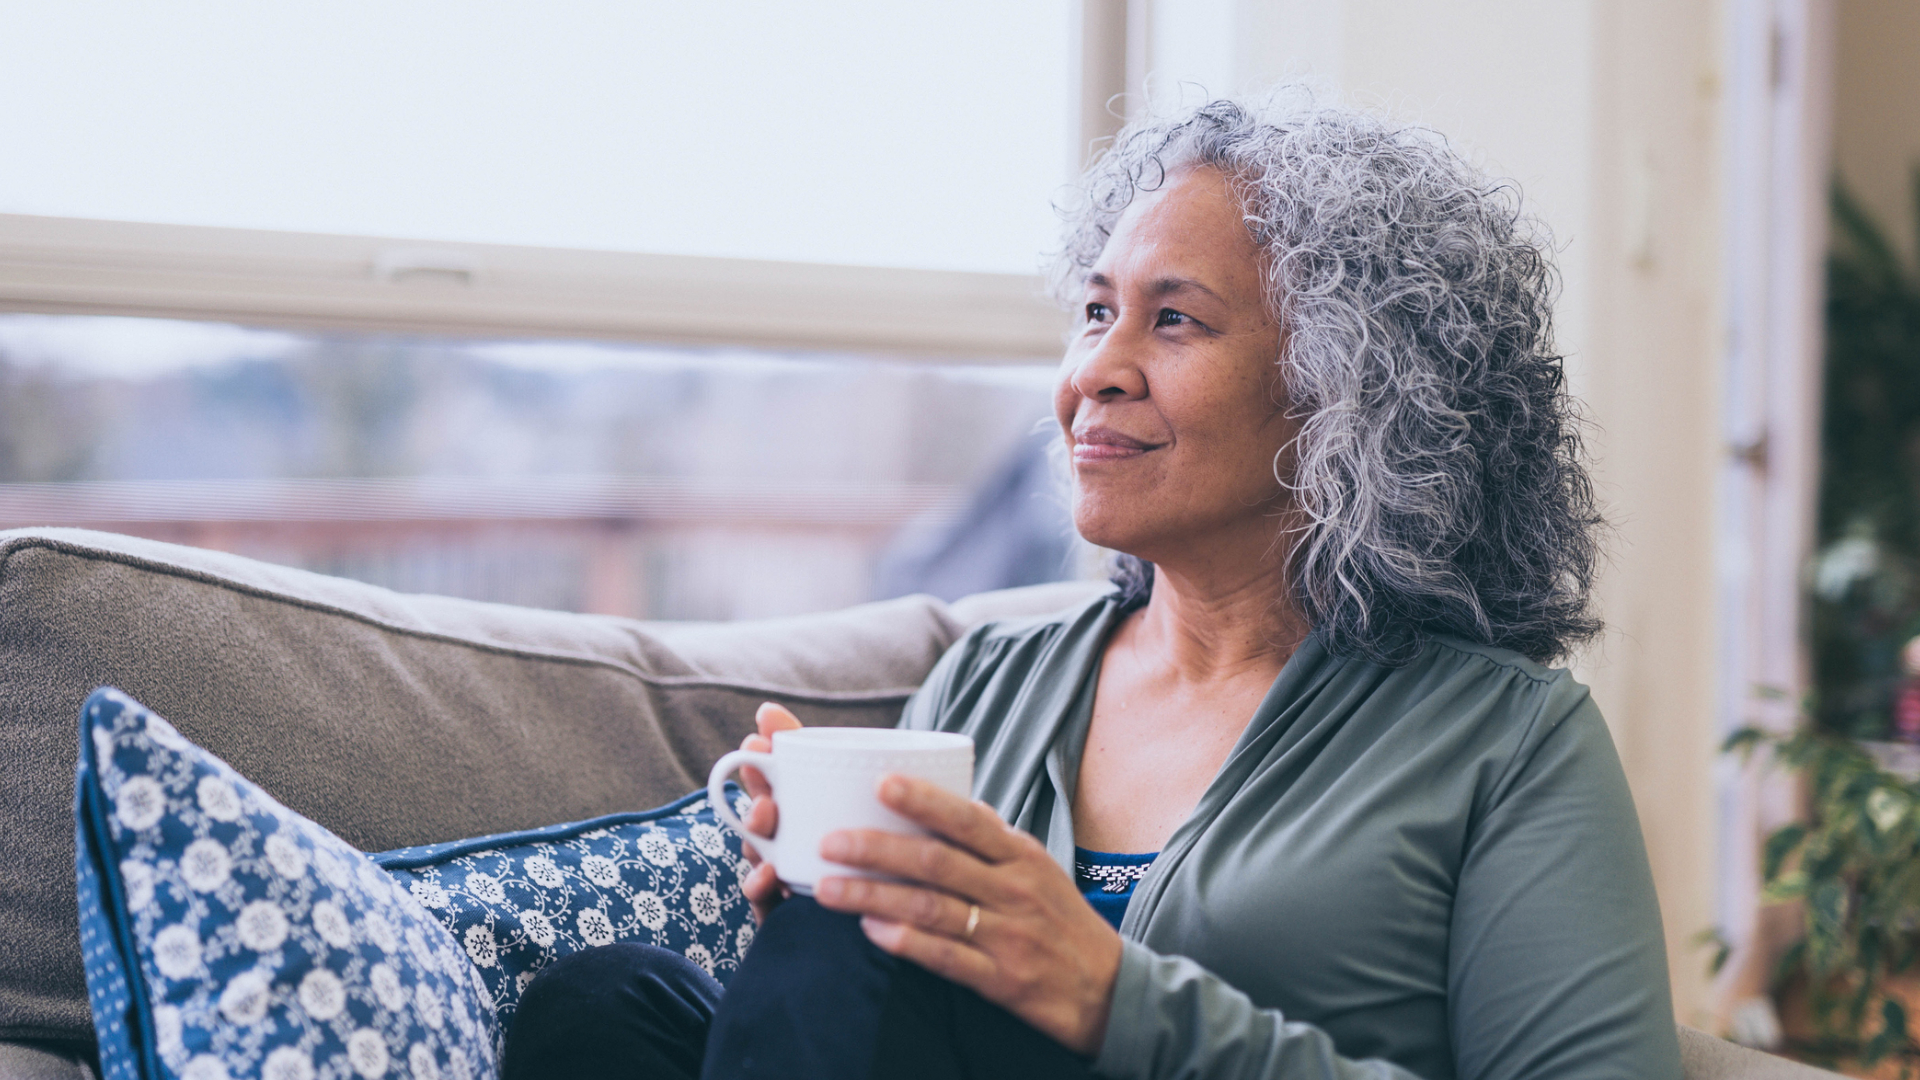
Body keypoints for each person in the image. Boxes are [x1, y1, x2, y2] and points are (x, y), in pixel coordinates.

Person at [503, 92, 1684, 1080]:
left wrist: (1117, 998)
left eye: (1174, 320)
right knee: (612, 1008)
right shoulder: (989, 681)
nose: (1095, 374)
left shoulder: (1508, 744)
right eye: (1095, 312)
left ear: (1350, 393)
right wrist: (817, 933)